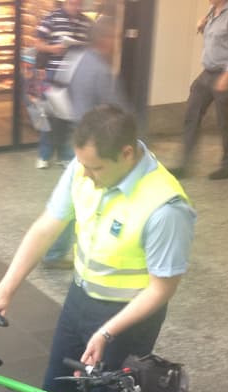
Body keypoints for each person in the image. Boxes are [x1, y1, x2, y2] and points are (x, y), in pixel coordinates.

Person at [0, 105, 195, 392]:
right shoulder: (82, 167)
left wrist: (107, 332)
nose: (86, 176)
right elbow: (47, 226)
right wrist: (4, 289)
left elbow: (162, 288)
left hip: (127, 321)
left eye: (96, 169)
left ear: (126, 153)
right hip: (79, 301)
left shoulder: (165, 207)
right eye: (83, 166)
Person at [41, 15, 131, 270]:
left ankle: (56, 251)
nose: (117, 43)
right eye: (115, 38)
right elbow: (119, 111)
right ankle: (58, 252)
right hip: (92, 144)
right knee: (77, 199)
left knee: (71, 196)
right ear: (105, 39)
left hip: (73, 134)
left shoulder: (76, 57)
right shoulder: (101, 70)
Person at [170, 0, 228, 181]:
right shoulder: (212, 10)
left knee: (224, 121)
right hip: (208, 73)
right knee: (191, 114)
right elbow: (219, 41)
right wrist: (202, 27)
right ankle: (184, 165)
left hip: (226, 73)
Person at [34, 0, 92, 170]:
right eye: (73, 3)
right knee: (50, 115)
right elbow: (37, 43)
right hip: (54, 75)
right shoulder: (51, 18)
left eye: (79, 4)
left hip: (76, 76)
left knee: (70, 118)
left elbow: (92, 46)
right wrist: (53, 49)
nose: (76, 7)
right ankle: (44, 155)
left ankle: (65, 156)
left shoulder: (86, 22)